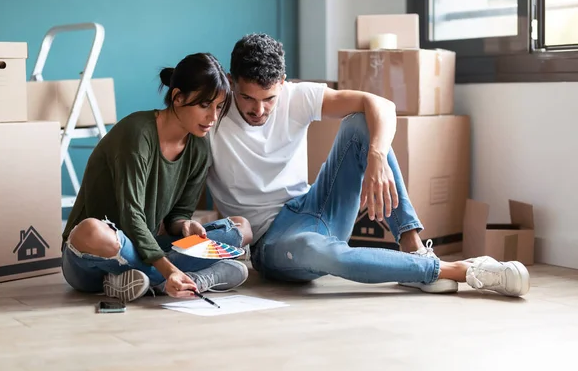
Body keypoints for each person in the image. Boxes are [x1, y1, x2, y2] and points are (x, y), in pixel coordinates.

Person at [205, 33, 530, 297]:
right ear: (232, 82)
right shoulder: (210, 122)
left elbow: (380, 105)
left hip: (314, 205)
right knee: (323, 253)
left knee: (361, 123)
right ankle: (461, 270)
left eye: (269, 99)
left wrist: (376, 157)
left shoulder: (295, 95)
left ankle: (413, 247)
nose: (259, 110)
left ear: (283, 83)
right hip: (272, 242)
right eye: (248, 98)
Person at [61, 53, 252, 303]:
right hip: (95, 257)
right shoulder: (137, 134)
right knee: (92, 231)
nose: (213, 117)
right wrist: (169, 269)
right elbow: (132, 216)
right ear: (178, 97)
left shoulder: (199, 147)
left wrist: (184, 225)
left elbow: (178, 215)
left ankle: (134, 280)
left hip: (146, 247)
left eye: (218, 107)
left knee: (240, 228)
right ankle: (180, 279)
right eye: (205, 105)